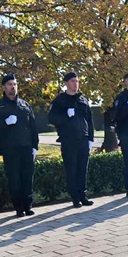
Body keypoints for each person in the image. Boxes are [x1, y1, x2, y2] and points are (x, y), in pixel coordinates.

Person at [0, 73, 39, 217]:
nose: (13, 87)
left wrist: (35, 146)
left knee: (27, 177)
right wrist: (4, 122)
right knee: (14, 179)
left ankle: (28, 205)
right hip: (10, 148)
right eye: (10, 84)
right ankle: (18, 207)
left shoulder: (24, 104)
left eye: (15, 84)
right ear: (3, 87)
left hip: (26, 147)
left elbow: (33, 127)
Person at [48, 72, 95, 208]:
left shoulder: (83, 100)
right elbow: (51, 118)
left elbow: (89, 121)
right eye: (73, 81)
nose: (76, 84)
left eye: (77, 81)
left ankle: (83, 196)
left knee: (82, 169)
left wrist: (90, 138)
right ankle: (75, 198)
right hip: (69, 140)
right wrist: (65, 116)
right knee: (72, 170)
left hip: (83, 139)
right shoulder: (60, 101)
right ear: (66, 83)